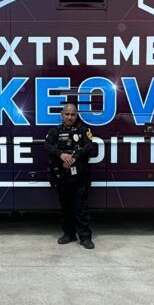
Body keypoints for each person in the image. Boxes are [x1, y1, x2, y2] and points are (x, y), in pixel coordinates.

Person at [44, 103, 97, 249]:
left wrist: (75, 157)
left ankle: (85, 238)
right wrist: (60, 155)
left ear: (76, 115)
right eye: (67, 114)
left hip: (80, 176)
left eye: (72, 114)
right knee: (66, 208)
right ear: (62, 115)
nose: (69, 117)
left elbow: (89, 146)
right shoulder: (54, 131)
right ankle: (69, 234)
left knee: (81, 208)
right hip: (62, 176)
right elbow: (47, 146)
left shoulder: (83, 130)